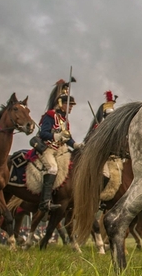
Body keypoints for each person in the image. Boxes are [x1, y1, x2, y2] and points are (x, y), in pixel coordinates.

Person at [36, 79, 83, 212]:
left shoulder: (64, 122)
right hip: (48, 148)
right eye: (69, 105)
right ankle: (45, 201)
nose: (71, 107)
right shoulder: (50, 116)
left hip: (61, 150)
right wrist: (55, 136)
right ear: (61, 103)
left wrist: (76, 145)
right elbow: (43, 133)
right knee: (52, 168)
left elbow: (67, 138)